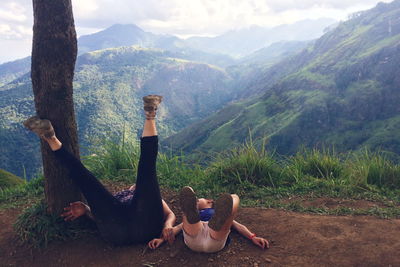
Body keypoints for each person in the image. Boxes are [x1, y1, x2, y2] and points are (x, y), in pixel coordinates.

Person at [23, 95, 177, 246]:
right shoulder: (137, 197)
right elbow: (103, 212)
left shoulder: (146, 197)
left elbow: (170, 214)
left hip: (124, 231)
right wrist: (87, 210)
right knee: (89, 180)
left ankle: (50, 138)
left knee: (88, 179)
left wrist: (168, 226)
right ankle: (49, 136)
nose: (134, 187)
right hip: (131, 228)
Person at [148, 186, 269, 253]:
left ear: (210, 201)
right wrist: (161, 239)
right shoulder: (203, 215)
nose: (197, 200)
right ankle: (196, 214)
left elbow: (238, 226)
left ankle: (215, 219)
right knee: (189, 192)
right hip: (212, 239)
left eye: (198, 199)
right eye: (195, 201)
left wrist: (253, 237)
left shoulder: (218, 212)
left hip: (195, 240)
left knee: (231, 200)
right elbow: (175, 229)